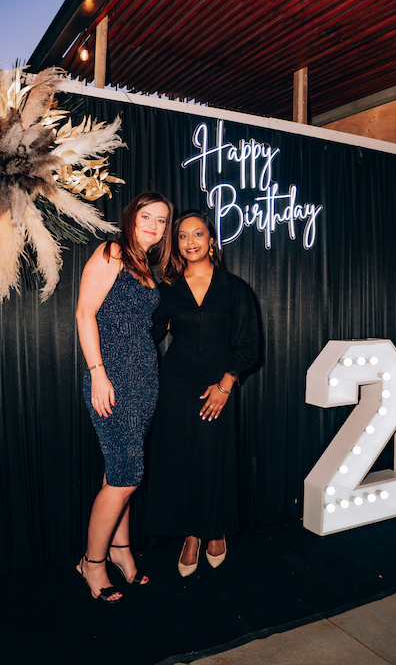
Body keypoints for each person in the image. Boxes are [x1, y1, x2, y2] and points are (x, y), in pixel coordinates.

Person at [146, 209, 258, 576]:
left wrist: (226, 385)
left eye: (197, 234)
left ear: (211, 240)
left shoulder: (234, 288)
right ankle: (191, 534)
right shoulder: (168, 289)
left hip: (217, 387)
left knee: (212, 459)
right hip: (174, 386)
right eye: (182, 235)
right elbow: (151, 335)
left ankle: (215, 529)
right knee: (179, 460)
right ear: (176, 244)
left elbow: (248, 346)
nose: (190, 241)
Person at [75, 191, 173, 602]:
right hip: (112, 377)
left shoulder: (147, 267)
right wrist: (98, 373)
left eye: (162, 220)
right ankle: (92, 563)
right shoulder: (112, 252)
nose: (154, 225)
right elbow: (84, 313)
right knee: (127, 474)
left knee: (118, 470)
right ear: (132, 216)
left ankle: (121, 550)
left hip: (144, 379)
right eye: (146, 216)